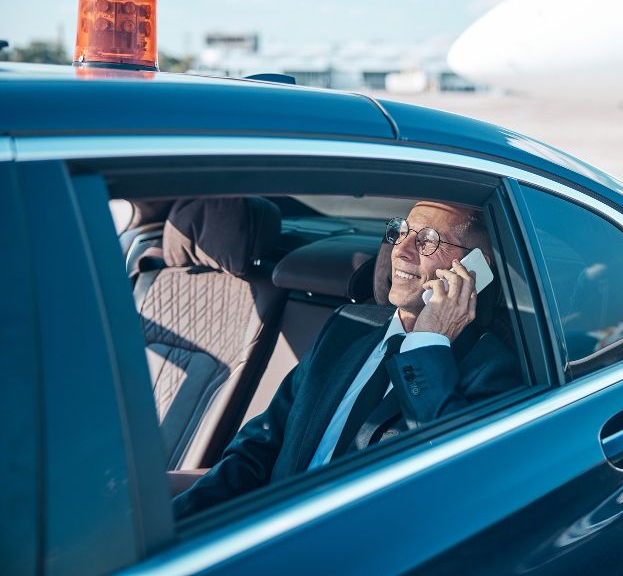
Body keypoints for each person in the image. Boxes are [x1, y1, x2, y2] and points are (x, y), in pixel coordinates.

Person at [173, 201, 521, 519]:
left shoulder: (492, 368)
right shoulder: (347, 327)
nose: (401, 250)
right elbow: (259, 445)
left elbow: (459, 482)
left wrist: (427, 344)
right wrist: (182, 524)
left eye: (428, 240)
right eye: (401, 232)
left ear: (474, 269)